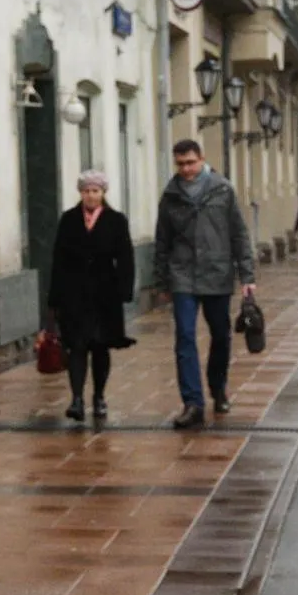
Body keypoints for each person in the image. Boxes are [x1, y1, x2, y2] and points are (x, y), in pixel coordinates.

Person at [154, 139, 256, 429]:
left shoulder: (222, 189)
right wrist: (162, 280)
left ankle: (218, 387)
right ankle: (192, 402)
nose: (186, 169)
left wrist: (247, 276)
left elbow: (239, 234)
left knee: (221, 335)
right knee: (184, 337)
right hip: (183, 274)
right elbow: (162, 240)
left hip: (217, 271)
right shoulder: (171, 196)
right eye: (181, 164)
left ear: (202, 159)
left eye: (190, 162)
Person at [49, 171, 136, 423]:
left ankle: (98, 396)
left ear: (103, 193)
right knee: (76, 345)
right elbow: (58, 260)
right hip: (73, 294)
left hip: (104, 294)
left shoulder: (115, 220)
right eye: (86, 191)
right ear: (80, 193)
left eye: (95, 191)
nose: (90, 195)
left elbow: (126, 257)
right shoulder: (68, 220)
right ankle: (76, 398)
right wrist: (54, 299)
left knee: (99, 346)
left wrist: (124, 290)